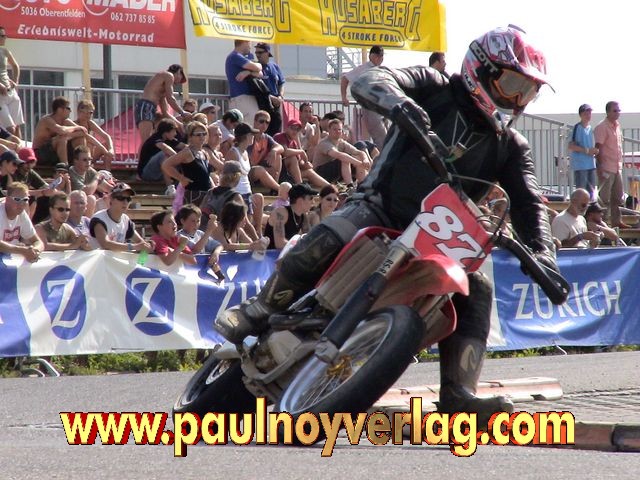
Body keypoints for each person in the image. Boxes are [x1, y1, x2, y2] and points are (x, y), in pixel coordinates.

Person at [216, 26, 561, 424]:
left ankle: (458, 394)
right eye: (513, 85)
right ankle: (260, 307)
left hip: (439, 239)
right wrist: (399, 103)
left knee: (478, 287)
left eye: (527, 92)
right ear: (481, 70)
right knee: (339, 230)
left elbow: (529, 201)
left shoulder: (511, 146)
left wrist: (544, 252)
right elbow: (370, 79)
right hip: (380, 205)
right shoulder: (435, 86)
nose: (517, 100)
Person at [340, 45, 387, 148]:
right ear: (372, 56)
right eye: (378, 56)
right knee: (380, 137)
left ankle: (380, 154)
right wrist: (344, 97)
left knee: (384, 136)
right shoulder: (364, 68)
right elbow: (345, 78)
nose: (380, 59)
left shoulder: (381, 70)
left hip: (381, 107)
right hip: (370, 106)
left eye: (381, 56)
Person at [161, 121, 215, 207]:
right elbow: (166, 165)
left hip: (206, 195)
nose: (202, 137)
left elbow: (206, 175)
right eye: (198, 134)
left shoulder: (204, 153)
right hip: (193, 194)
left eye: (204, 134)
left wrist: (213, 188)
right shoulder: (187, 152)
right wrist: (181, 178)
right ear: (190, 137)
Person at [32, 96, 97, 166]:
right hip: (40, 154)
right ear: (60, 110)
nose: (70, 111)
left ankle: (80, 166)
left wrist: (69, 136)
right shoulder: (47, 120)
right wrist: (75, 128)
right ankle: (65, 167)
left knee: (79, 138)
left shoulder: (66, 121)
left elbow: (83, 132)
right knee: (62, 139)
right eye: (68, 108)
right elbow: (61, 130)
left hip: (56, 154)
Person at [89, 182, 152, 252]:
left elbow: (140, 242)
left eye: (128, 199)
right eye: (121, 198)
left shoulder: (126, 220)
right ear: (111, 199)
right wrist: (134, 247)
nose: (125, 202)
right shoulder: (99, 218)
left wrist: (148, 246)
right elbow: (105, 244)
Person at [594, 101, 628, 229]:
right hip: (606, 167)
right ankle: (602, 223)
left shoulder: (617, 126)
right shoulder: (602, 127)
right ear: (607, 112)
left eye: (618, 110)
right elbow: (598, 148)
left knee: (617, 197)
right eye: (615, 111)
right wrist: (600, 167)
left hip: (617, 167)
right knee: (604, 198)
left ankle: (616, 221)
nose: (617, 113)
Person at [135, 64, 190, 143]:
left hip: (149, 107)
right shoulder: (168, 75)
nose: (178, 83)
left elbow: (165, 113)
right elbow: (170, 98)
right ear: (178, 72)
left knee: (147, 140)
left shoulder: (161, 91)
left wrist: (179, 125)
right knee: (146, 141)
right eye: (181, 78)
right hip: (146, 106)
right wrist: (182, 112)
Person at [274, 120, 330, 189]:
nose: (295, 131)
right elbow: (285, 152)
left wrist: (305, 164)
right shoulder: (280, 136)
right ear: (287, 128)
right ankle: (301, 186)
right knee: (292, 158)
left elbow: (299, 162)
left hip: (287, 173)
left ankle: (330, 187)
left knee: (309, 171)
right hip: (275, 171)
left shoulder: (294, 142)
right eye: (292, 128)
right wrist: (301, 151)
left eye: (297, 129)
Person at [313, 119, 370, 185]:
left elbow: (360, 152)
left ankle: (362, 184)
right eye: (334, 129)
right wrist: (360, 164)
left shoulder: (341, 142)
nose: (337, 132)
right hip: (320, 173)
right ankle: (350, 186)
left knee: (357, 156)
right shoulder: (324, 143)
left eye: (339, 129)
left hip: (334, 171)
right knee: (344, 158)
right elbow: (339, 155)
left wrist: (365, 160)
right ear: (329, 130)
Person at [137, 118, 185, 195]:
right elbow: (165, 148)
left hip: (160, 173)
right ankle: (170, 188)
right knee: (164, 154)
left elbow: (184, 146)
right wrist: (179, 159)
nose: (175, 134)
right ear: (166, 132)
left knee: (184, 155)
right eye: (174, 131)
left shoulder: (170, 139)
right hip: (146, 173)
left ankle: (181, 188)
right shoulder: (155, 138)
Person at [0, 182, 44, 262]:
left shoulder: (21, 214)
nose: (21, 204)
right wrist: (21, 250)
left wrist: (34, 251)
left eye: (25, 200)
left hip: (8, 259)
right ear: (7, 199)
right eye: (17, 199)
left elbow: (38, 242)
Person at [264, 183, 316, 249]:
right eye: (311, 198)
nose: (313, 202)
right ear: (300, 201)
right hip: (271, 253)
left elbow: (309, 238)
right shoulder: (281, 212)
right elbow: (280, 244)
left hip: (287, 253)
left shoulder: (303, 215)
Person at [225, 40, 262, 125]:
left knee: (251, 126)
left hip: (246, 97)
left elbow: (260, 73)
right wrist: (253, 70)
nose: (250, 47)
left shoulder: (243, 58)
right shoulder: (235, 56)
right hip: (241, 97)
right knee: (249, 126)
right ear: (245, 42)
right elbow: (257, 67)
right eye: (249, 43)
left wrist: (248, 72)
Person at [71, 100, 115, 171]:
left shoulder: (90, 123)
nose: (88, 115)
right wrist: (102, 148)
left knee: (107, 145)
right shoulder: (73, 124)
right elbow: (86, 137)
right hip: (76, 156)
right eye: (85, 112)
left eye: (90, 113)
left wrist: (111, 149)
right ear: (79, 112)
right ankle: (85, 168)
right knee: (83, 140)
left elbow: (106, 136)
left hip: (89, 155)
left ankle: (107, 172)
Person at [568, 104, 598, 201]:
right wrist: (586, 150)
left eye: (589, 113)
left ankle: (590, 209)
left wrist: (595, 151)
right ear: (580, 114)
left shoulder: (590, 128)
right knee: (581, 193)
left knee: (591, 193)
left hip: (591, 164)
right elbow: (571, 146)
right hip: (580, 165)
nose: (588, 115)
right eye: (586, 113)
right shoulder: (577, 128)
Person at [254, 42, 285, 136]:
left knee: (277, 130)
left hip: (276, 105)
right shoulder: (256, 67)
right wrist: (271, 98)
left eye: (260, 52)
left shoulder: (274, 66)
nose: (258, 55)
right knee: (263, 130)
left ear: (267, 53)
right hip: (264, 103)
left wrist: (280, 96)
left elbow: (281, 83)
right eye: (256, 53)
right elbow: (257, 87)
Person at [0, 27, 25, 138]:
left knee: (17, 126)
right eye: (2, 36)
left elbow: (15, 65)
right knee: (10, 128)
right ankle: (11, 148)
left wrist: (15, 81)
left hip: (11, 92)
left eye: (5, 35)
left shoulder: (5, 51)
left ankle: (19, 149)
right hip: (0, 96)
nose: (5, 38)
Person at [247, 110, 284, 184]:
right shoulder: (249, 136)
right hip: (248, 170)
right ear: (255, 122)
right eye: (261, 121)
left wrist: (274, 151)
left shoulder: (266, 137)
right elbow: (247, 161)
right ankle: (277, 188)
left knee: (278, 156)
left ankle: (274, 186)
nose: (264, 124)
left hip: (259, 167)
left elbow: (281, 147)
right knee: (261, 170)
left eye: (267, 122)